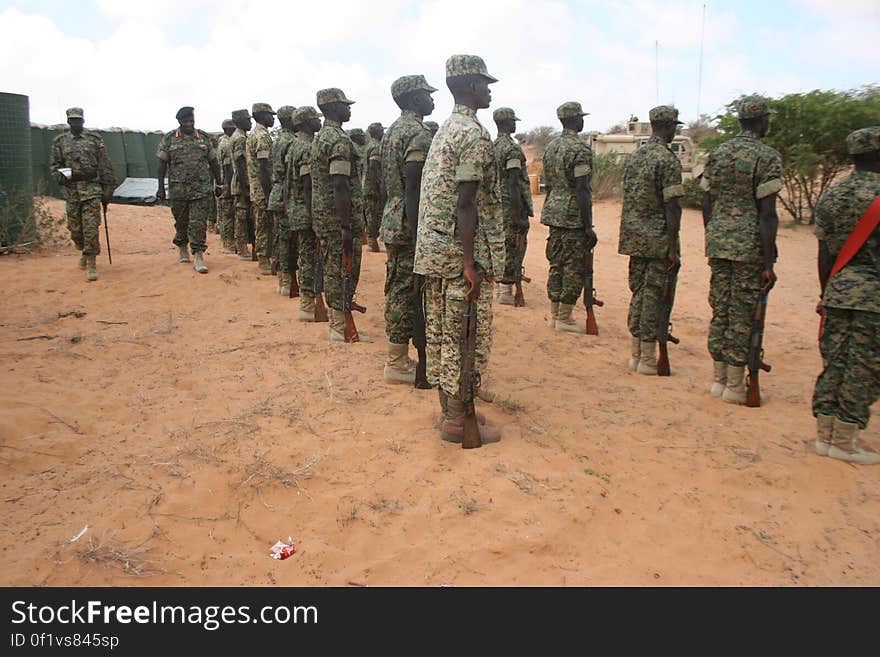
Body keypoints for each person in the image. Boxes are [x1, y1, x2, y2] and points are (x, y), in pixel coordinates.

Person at [414, 54, 505, 444]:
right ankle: (456, 420)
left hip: (438, 253)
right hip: (457, 256)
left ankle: (456, 410)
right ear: (470, 86)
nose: (488, 90)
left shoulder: (447, 129)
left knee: (442, 333)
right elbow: (466, 201)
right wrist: (469, 262)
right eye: (485, 84)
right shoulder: (472, 133)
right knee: (463, 335)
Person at [701, 95, 781, 404]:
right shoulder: (767, 156)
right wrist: (768, 258)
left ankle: (719, 378)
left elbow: (707, 201)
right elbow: (768, 213)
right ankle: (735, 384)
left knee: (720, 308)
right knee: (742, 312)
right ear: (762, 121)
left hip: (720, 241)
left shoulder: (718, 153)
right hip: (748, 244)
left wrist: (714, 234)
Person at [812, 126, 880, 464]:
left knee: (835, 361)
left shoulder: (834, 194)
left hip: (838, 289)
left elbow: (825, 251)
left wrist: (827, 290)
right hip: (874, 297)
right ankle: (845, 441)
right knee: (863, 366)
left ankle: (825, 435)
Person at [617, 105, 684, 373]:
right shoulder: (667, 160)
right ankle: (646, 358)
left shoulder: (636, 157)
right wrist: (672, 244)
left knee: (639, 295)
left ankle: (636, 354)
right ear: (667, 127)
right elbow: (673, 207)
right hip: (658, 240)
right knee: (654, 297)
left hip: (635, 238)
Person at [380, 74, 437, 384]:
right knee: (406, 293)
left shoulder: (392, 131)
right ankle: (398, 363)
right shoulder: (418, 134)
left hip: (394, 217)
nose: (432, 99)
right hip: (410, 222)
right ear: (414, 99)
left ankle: (398, 357)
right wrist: (420, 236)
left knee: (398, 289)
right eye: (427, 95)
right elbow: (414, 187)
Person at [309, 88, 365, 341]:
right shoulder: (338, 140)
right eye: (344, 105)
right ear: (333, 109)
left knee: (333, 266)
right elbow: (340, 184)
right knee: (344, 269)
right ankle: (339, 326)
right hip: (338, 216)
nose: (349, 108)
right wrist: (345, 224)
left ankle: (337, 322)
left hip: (324, 214)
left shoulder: (321, 138)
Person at [540, 101, 597, 332]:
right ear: (575, 120)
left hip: (554, 212)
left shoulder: (551, 147)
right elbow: (582, 189)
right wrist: (587, 225)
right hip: (573, 215)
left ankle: (555, 314)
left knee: (556, 264)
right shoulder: (580, 149)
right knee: (573, 267)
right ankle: (565, 317)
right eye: (581, 117)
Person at [49, 107, 115, 282]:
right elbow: (54, 167)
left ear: (83, 120)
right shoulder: (60, 141)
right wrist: (67, 176)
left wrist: (108, 190)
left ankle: (91, 261)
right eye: (72, 120)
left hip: (92, 190)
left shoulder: (94, 139)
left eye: (78, 119)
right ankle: (84, 250)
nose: (76, 122)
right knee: (75, 229)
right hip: (72, 192)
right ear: (68, 121)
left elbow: (105, 165)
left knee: (91, 228)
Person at [156, 106, 222, 274]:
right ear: (179, 122)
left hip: (201, 189)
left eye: (191, 121)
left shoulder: (204, 138)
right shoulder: (170, 139)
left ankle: (198, 254)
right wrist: (160, 188)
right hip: (178, 190)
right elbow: (162, 164)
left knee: (198, 223)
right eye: (185, 121)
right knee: (182, 222)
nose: (189, 124)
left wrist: (220, 183)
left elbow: (214, 162)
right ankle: (182, 245)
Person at [492, 107, 533, 305]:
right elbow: (513, 182)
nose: (515, 124)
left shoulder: (493, 146)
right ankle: (506, 291)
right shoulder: (511, 149)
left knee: (501, 245)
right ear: (507, 123)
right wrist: (518, 215)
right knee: (513, 247)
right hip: (510, 206)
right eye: (513, 121)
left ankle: (502, 289)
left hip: (496, 205)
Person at [285, 106, 323, 321]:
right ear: (307, 123)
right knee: (309, 259)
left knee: (305, 256)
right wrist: (314, 216)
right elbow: (308, 186)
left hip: (296, 210)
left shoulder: (294, 146)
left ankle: (307, 302)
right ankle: (308, 304)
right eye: (315, 119)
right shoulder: (306, 147)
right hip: (305, 212)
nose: (319, 122)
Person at [267, 105, 297, 293]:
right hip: (286, 194)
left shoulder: (278, 140)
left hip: (277, 192)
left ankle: (283, 281)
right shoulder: (290, 142)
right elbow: (289, 175)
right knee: (288, 240)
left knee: (281, 238)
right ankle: (287, 281)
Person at [246, 103, 277, 274]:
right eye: (270, 115)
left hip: (257, 189)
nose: (273, 118)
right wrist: (268, 193)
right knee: (264, 225)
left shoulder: (254, 134)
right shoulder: (262, 136)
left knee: (261, 224)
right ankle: (264, 260)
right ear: (262, 116)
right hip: (262, 189)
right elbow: (264, 167)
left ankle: (263, 258)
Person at [229, 109, 253, 259]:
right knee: (242, 217)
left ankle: (241, 247)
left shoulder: (239, 136)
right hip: (241, 183)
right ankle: (242, 249)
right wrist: (245, 187)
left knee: (242, 216)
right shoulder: (239, 139)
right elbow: (240, 163)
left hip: (240, 182)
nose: (250, 122)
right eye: (248, 120)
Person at [363, 122, 385, 252]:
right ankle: (372, 240)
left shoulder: (369, 146)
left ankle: (372, 239)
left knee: (370, 213)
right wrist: (376, 187)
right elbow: (373, 168)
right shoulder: (376, 147)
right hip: (373, 187)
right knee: (372, 213)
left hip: (368, 186)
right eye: (381, 131)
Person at [217, 119, 237, 253]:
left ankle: (227, 242)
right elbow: (228, 167)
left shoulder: (222, 142)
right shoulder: (226, 145)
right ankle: (228, 244)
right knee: (228, 216)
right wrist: (230, 187)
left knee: (225, 215)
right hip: (226, 184)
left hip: (222, 184)